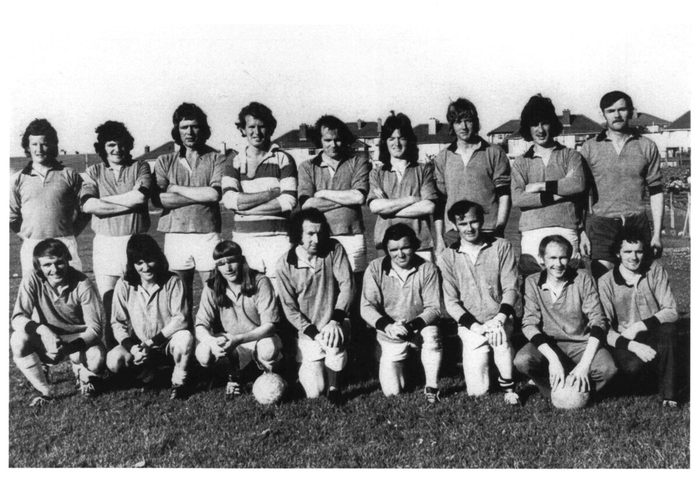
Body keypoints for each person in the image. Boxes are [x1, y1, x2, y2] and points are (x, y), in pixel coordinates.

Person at [298, 115, 372, 375]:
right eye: (327, 140)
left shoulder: (358, 161)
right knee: (326, 294)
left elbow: (359, 197)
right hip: (320, 241)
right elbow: (306, 204)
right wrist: (343, 198)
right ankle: (329, 352)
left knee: (354, 296)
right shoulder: (308, 166)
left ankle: (359, 357)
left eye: (338, 139)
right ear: (319, 140)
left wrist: (323, 194)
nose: (333, 144)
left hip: (352, 237)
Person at [514, 235, 617, 401]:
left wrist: (584, 365)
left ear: (569, 258)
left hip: (581, 343)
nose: (558, 263)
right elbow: (529, 324)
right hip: (550, 343)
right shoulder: (532, 282)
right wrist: (553, 359)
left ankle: (577, 388)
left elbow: (598, 320)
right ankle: (552, 389)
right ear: (541, 259)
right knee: (523, 360)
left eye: (563, 257)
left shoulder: (583, 278)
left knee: (607, 369)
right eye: (552, 258)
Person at [437, 200, 520, 404]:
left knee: (500, 339)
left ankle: (508, 384)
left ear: (482, 221)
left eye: (473, 222)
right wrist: (476, 327)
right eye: (463, 224)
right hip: (471, 325)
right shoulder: (447, 256)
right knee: (477, 392)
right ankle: (491, 365)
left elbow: (511, 288)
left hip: (499, 320)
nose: (469, 228)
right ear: (454, 225)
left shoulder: (501, 246)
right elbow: (451, 302)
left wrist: (499, 319)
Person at [10, 239, 106, 404]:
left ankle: (82, 373)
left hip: (77, 339)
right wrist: (43, 331)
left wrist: (69, 348)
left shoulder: (83, 283)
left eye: (59, 263)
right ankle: (44, 391)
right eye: (47, 265)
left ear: (68, 260)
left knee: (97, 357)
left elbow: (96, 328)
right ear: (38, 266)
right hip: (49, 339)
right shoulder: (32, 279)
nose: (54, 270)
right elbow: (18, 318)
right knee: (18, 340)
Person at [580, 91, 664, 277]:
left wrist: (657, 234)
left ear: (631, 111)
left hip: (637, 223)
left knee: (638, 283)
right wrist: (582, 232)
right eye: (611, 111)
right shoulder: (589, 147)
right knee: (603, 281)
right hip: (603, 224)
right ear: (603, 114)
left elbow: (656, 190)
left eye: (622, 109)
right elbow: (581, 195)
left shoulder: (646, 145)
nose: (617, 115)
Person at [154, 103, 226, 315]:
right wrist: (199, 196)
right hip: (175, 234)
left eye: (195, 126)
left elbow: (214, 194)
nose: (190, 132)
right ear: (177, 130)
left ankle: (212, 335)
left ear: (203, 129)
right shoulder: (165, 160)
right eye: (184, 127)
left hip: (207, 233)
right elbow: (158, 200)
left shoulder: (217, 158)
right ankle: (185, 336)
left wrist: (175, 188)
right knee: (180, 298)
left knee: (215, 293)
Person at [276, 209, 354, 402]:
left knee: (333, 344)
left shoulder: (334, 249)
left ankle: (335, 388)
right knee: (315, 392)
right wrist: (313, 333)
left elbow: (348, 286)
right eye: (310, 234)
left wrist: (335, 321)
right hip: (308, 332)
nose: (316, 240)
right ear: (298, 233)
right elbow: (290, 309)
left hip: (334, 323)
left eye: (320, 233)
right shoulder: (284, 264)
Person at [81, 121, 152, 327]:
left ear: (128, 145)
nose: (117, 149)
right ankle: (114, 345)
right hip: (105, 244)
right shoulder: (93, 171)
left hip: (136, 242)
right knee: (110, 303)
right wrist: (128, 200)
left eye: (121, 144)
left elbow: (140, 198)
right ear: (103, 147)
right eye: (111, 144)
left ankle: (141, 345)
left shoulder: (140, 166)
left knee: (139, 302)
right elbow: (88, 205)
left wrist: (103, 202)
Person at [361, 224, 443, 402]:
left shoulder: (428, 268)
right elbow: (367, 307)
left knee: (432, 334)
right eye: (393, 250)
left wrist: (411, 326)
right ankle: (401, 359)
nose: (400, 254)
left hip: (419, 328)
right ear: (386, 250)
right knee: (392, 392)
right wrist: (388, 327)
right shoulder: (375, 268)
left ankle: (431, 386)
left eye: (405, 247)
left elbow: (434, 308)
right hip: (391, 332)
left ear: (414, 245)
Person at [598, 229, 679, 407]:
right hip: (626, 341)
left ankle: (669, 395)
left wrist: (639, 326)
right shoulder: (605, 282)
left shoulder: (655, 270)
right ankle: (647, 380)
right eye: (627, 252)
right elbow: (605, 329)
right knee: (633, 368)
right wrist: (633, 345)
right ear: (618, 253)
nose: (633, 257)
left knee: (669, 330)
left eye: (638, 252)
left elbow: (671, 311)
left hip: (653, 333)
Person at [106, 234, 193, 400]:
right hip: (140, 345)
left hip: (167, 342)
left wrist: (151, 343)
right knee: (113, 360)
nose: (146, 267)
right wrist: (133, 348)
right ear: (132, 264)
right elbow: (117, 322)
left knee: (185, 338)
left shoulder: (172, 280)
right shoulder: (124, 284)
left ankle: (179, 381)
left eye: (150, 260)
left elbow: (181, 319)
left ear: (158, 258)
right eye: (139, 263)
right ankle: (149, 376)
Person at [195, 241, 283, 400]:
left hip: (258, 338)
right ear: (217, 267)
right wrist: (211, 341)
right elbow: (201, 325)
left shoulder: (260, 281)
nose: (227, 268)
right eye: (221, 264)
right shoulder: (212, 287)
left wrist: (239, 339)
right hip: (230, 340)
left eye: (231, 261)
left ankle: (265, 376)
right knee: (203, 353)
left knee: (268, 349)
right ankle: (233, 377)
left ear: (242, 260)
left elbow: (270, 326)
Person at [510, 95, 587, 275]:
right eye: (534, 124)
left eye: (544, 123)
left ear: (552, 124)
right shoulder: (521, 162)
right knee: (533, 286)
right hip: (531, 232)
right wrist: (560, 193)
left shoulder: (570, 155)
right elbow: (518, 198)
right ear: (528, 128)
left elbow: (577, 185)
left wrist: (539, 186)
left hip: (565, 228)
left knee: (568, 286)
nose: (540, 130)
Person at [222, 101, 297, 281]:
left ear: (270, 129)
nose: (256, 132)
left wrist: (244, 209)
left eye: (262, 126)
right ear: (243, 129)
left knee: (280, 292)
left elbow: (288, 201)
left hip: (278, 239)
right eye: (251, 127)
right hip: (244, 240)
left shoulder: (284, 159)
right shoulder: (233, 161)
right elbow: (230, 200)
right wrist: (270, 194)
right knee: (249, 291)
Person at [10, 119, 90, 277]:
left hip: (64, 244)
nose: (39, 149)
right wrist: (26, 236)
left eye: (44, 144)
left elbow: (85, 210)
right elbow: (11, 216)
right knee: (35, 290)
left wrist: (71, 233)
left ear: (53, 145)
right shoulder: (18, 179)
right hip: (32, 246)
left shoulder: (69, 174)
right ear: (27, 147)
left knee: (71, 290)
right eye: (34, 144)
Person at [433, 98, 511, 253]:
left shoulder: (494, 152)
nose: (463, 126)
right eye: (458, 122)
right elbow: (440, 201)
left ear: (475, 122)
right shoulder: (443, 157)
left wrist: (500, 227)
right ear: (452, 125)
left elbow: (504, 194)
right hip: (454, 232)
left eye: (467, 121)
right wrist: (440, 238)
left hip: (488, 230)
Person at [367, 112, 438, 261]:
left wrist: (388, 210)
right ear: (385, 142)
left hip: (420, 246)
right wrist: (412, 199)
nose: (396, 143)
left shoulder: (423, 170)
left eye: (401, 138)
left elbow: (429, 206)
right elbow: (375, 207)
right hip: (386, 246)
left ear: (409, 141)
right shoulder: (377, 173)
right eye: (391, 138)